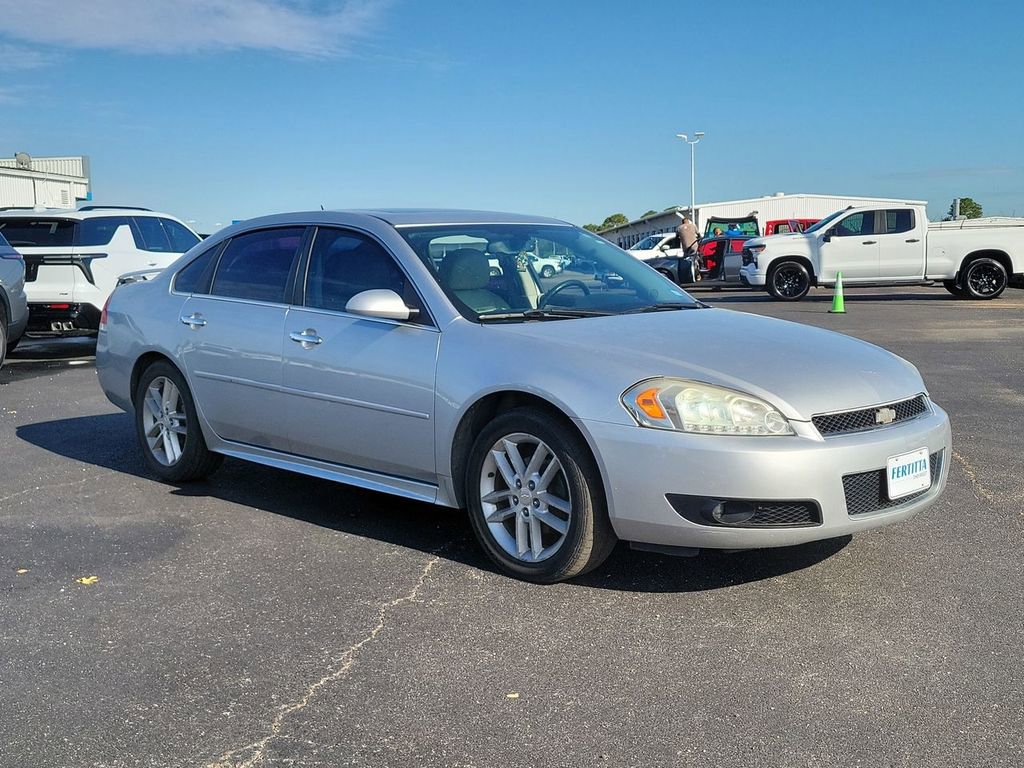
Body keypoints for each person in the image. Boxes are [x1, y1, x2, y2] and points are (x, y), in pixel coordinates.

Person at [675, 214, 701, 281]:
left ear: (682, 222)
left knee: (687, 261)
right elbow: (699, 235)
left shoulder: (679, 228)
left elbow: (676, 238)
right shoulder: (693, 226)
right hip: (694, 245)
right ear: (688, 221)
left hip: (686, 247)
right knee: (695, 260)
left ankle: (688, 275)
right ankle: (698, 275)